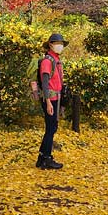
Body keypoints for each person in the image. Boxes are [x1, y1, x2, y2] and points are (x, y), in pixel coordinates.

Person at [36, 33, 67, 169]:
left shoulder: (57, 60)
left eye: (61, 44)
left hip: (56, 99)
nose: (60, 46)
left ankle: (42, 157)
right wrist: (48, 102)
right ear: (50, 45)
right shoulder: (47, 61)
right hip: (50, 99)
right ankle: (46, 159)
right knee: (50, 129)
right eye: (57, 43)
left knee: (52, 127)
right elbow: (45, 82)